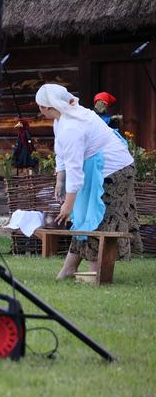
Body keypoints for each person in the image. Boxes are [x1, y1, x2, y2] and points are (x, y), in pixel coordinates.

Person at [35, 84, 142, 279]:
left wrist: (68, 205)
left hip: (115, 170)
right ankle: (69, 268)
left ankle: (95, 272)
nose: (40, 110)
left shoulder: (72, 126)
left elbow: (75, 170)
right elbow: (62, 153)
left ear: (48, 107)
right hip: (96, 169)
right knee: (85, 217)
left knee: (98, 218)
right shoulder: (62, 119)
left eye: (41, 106)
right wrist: (60, 180)